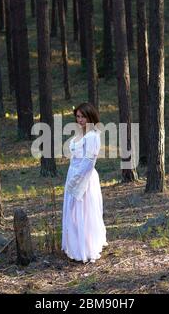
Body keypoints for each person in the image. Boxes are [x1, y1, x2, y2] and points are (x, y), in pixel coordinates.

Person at [62, 103, 107, 263]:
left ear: (90, 117)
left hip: (85, 177)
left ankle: (86, 248)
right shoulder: (80, 133)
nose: (80, 119)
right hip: (73, 173)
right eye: (78, 116)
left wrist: (77, 180)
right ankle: (75, 246)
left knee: (84, 212)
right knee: (73, 212)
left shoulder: (93, 136)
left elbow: (89, 161)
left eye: (83, 116)